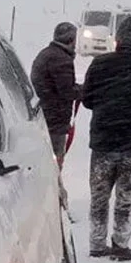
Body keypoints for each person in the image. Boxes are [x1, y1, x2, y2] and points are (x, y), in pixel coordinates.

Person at [80, 16, 131, 261]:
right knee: (125, 196)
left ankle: (97, 243)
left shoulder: (99, 64)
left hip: (103, 141)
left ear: (117, 39)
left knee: (99, 195)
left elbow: (87, 100)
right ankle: (120, 244)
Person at [30, 21, 81, 164]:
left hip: (42, 114)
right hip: (54, 119)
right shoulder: (62, 60)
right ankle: (53, 184)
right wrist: (82, 90)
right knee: (54, 159)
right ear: (71, 40)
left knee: (43, 158)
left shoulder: (46, 53)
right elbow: (67, 92)